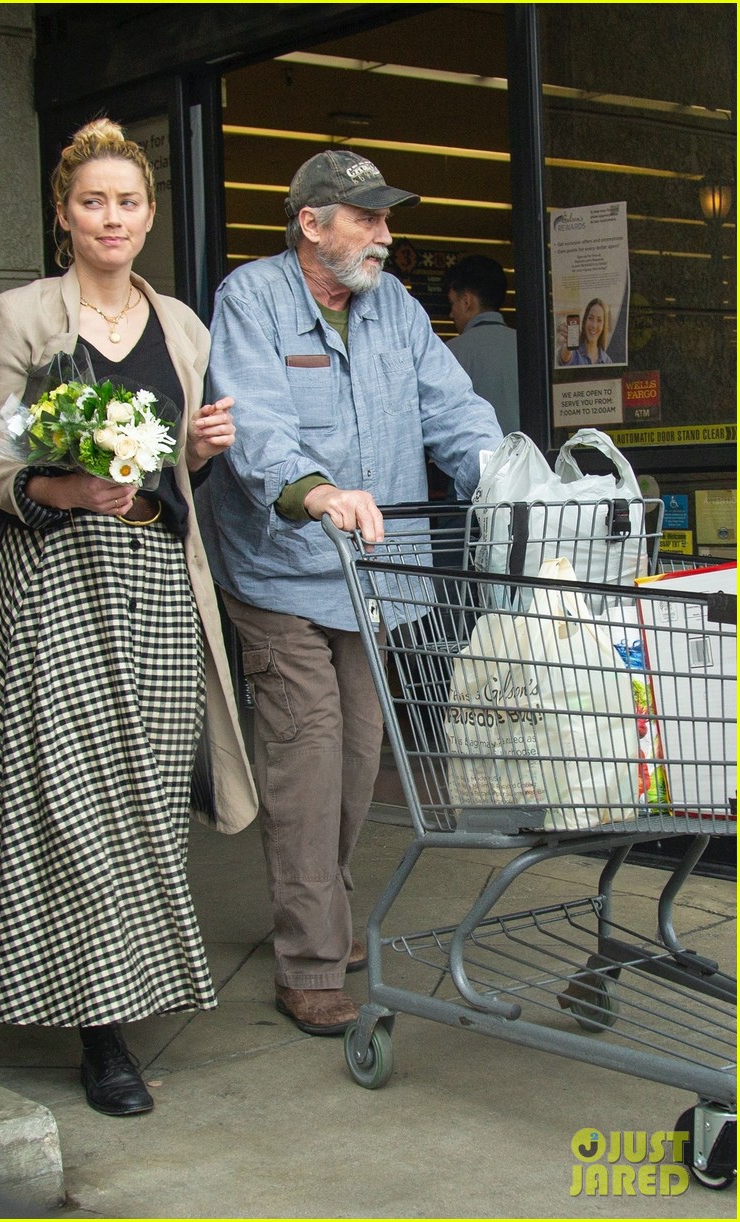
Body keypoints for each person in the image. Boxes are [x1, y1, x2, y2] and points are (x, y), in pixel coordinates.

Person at [0, 119, 257, 1118]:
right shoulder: (20, 317)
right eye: (93, 202)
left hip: (157, 591)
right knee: (72, 806)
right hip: (53, 589)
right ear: (62, 215)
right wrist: (62, 485)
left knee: (141, 806)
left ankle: (120, 988)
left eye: (128, 202)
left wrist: (199, 452)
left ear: (148, 215)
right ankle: (103, 1036)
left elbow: (173, 475)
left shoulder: (180, 327)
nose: (112, 217)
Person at [194, 150, 503, 1037]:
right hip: (280, 571)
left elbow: (451, 408)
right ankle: (311, 959)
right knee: (309, 756)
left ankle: (323, 908)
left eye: (386, 219)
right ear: (311, 223)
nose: (385, 234)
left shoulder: (396, 308)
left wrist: (504, 475)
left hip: (375, 579)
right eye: (367, 217)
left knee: (361, 758)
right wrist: (317, 490)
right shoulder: (252, 299)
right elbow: (253, 424)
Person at [442, 255, 520, 434]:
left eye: (452, 303)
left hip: (478, 459)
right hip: (528, 458)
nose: (451, 314)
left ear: (467, 301)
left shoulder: (449, 353)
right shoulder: (528, 349)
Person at [557, 297, 612, 366]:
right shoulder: (574, 352)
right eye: (590, 318)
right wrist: (568, 345)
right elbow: (565, 357)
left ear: (603, 326)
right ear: (585, 321)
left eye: (599, 320)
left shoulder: (607, 361)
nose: (594, 325)